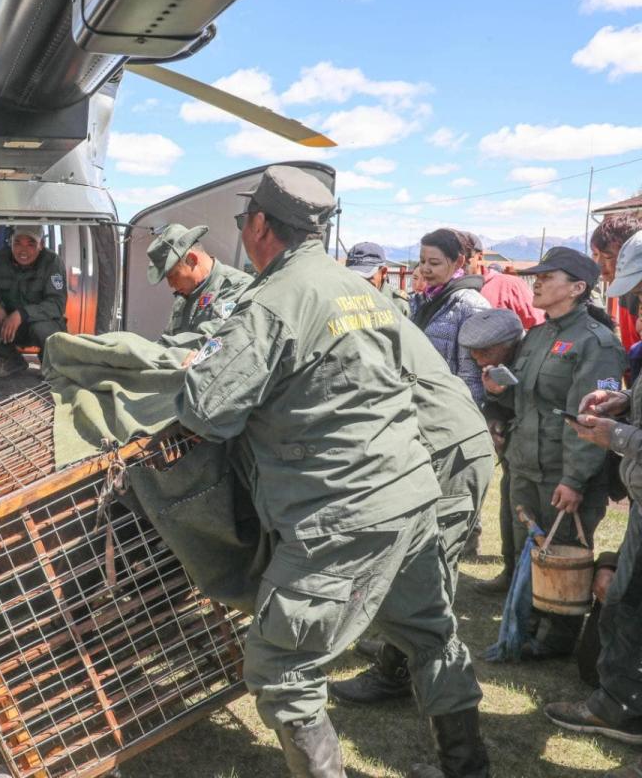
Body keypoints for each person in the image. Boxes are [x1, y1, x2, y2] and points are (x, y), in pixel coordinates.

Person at [178, 165, 487, 778]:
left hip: (338, 513)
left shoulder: (273, 301)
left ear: (259, 225)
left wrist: (197, 368)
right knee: (430, 634)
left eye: (243, 221)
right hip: (409, 495)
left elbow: (207, 411)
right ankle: (467, 769)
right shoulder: (360, 290)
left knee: (281, 667)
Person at [329, 322, 494, 706]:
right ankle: (400, 646)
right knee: (423, 566)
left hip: (444, 451)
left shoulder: (342, 324)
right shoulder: (366, 314)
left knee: (426, 572)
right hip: (441, 442)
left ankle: (398, 675)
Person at [483, 246, 626, 660]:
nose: (538, 282)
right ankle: (524, 625)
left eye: (548, 277)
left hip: (562, 471)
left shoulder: (595, 342)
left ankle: (556, 639)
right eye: (537, 276)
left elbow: (591, 420)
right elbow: (527, 400)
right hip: (525, 464)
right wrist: (498, 393)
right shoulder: (538, 335)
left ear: (577, 288)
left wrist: (575, 479)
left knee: (562, 553)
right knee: (526, 551)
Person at [543, 232, 642, 777]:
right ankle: (618, 705)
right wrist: (625, 401)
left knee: (628, 601)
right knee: (626, 601)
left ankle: (619, 708)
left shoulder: (595, 339)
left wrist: (615, 435)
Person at [455, 310, 528, 595]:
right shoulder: (497, 365)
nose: (476, 357)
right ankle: (509, 573)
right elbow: (502, 403)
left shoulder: (528, 358)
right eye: (472, 351)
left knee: (525, 519)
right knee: (508, 513)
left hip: (536, 452)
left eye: (484, 351)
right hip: (515, 452)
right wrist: (494, 416)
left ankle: (522, 582)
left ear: (508, 345)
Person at [0, 224, 67, 378]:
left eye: (31, 244)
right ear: (10, 242)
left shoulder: (52, 262)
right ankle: (11, 360)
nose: (23, 251)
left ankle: (50, 365)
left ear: (41, 245)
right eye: (17, 243)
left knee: (43, 328)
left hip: (38, 323)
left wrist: (22, 314)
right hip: (8, 325)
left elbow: (57, 304)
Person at [412, 228, 491, 404]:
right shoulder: (423, 300)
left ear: (459, 261)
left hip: (448, 407)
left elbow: (472, 377)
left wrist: (464, 414)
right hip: (421, 401)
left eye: (434, 263)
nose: (425, 269)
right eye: (422, 261)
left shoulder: (470, 306)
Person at [145, 222, 252, 348]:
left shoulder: (237, 287)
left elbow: (212, 341)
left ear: (192, 260)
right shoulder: (182, 300)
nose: (171, 284)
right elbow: (168, 341)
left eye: (173, 275)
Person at [458, 230, 545, 330]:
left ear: (480, 257)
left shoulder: (509, 285)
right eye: (451, 258)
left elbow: (539, 327)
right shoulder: (446, 288)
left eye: (465, 257)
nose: (458, 263)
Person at [591, 213, 642, 354]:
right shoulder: (625, 291)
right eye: (595, 254)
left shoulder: (635, 290)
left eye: (608, 256)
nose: (599, 264)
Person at [346, 241, 410, 315]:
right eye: (354, 277)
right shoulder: (342, 299)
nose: (360, 284)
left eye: (366, 278)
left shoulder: (399, 305)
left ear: (383, 272)